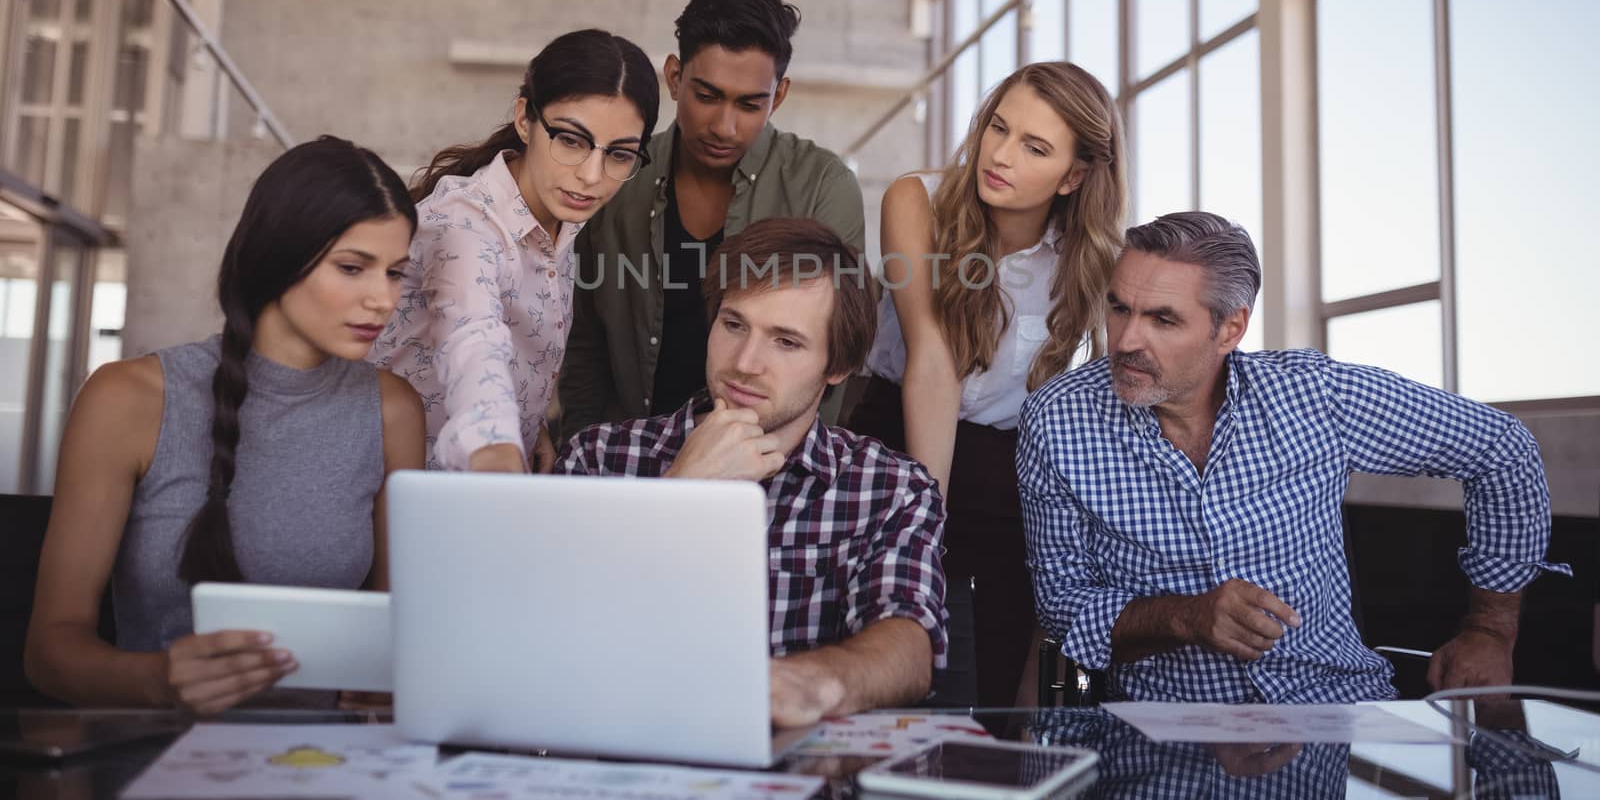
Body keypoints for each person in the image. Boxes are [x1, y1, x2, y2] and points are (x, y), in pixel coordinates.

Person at [1018, 211, 1569, 703]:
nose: (1125, 340)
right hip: (1165, 733)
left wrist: (1491, 629)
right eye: (1118, 308)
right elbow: (1063, 608)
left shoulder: (1315, 396)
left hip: (1332, 711)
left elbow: (1503, 449)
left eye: (1163, 319)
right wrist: (1186, 617)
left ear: (1230, 327)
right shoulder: (1058, 420)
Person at [24, 137, 426, 713]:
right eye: (353, 268)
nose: (382, 299)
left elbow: (394, 638)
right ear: (279, 253)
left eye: (395, 273)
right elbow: (49, 651)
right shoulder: (128, 398)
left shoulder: (392, 411)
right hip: (158, 757)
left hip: (324, 764)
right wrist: (159, 679)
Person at [556, 218, 945, 727]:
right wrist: (678, 493)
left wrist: (808, 684)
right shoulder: (599, 459)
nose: (744, 363)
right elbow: (553, 633)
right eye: (734, 324)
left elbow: (910, 648)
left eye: (786, 342)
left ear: (839, 366)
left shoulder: (891, 490)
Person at [846, 61, 1126, 708]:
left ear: (1075, 174)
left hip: (1004, 478)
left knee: (982, 693)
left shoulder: (1093, 260)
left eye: (1035, 147)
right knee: (878, 676)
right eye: (998, 127)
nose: (999, 155)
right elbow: (933, 359)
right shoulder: (916, 199)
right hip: (896, 442)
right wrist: (920, 522)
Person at [557, 0, 865, 437]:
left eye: (750, 104)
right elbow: (585, 343)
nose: (724, 126)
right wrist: (579, 455)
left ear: (778, 96)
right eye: (707, 96)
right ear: (675, 78)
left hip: (766, 466)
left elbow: (836, 353)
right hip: (630, 455)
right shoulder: (619, 176)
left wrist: (781, 473)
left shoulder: (822, 186)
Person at [370, 29, 660, 472]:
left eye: (620, 155)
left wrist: (531, 418)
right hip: (400, 493)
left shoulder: (562, 221)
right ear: (525, 118)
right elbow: (473, 338)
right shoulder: (464, 222)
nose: (591, 175)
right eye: (570, 140)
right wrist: (496, 445)